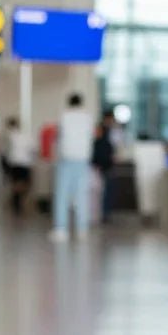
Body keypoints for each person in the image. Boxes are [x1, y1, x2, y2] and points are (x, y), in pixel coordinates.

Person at [50, 92, 94, 242]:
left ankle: (61, 229)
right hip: (83, 160)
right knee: (82, 195)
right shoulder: (88, 118)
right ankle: (82, 229)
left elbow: (58, 137)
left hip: (66, 159)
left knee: (62, 195)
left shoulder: (64, 116)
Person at [3, 118, 34, 217]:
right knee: (21, 184)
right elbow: (32, 148)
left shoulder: (11, 136)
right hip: (22, 163)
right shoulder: (20, 136)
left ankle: (16, 203)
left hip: (16, 164)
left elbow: (6, 152)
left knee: (18, 184)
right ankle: (17, 203)